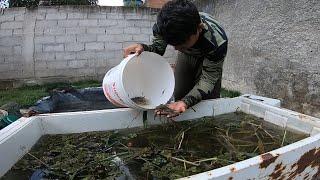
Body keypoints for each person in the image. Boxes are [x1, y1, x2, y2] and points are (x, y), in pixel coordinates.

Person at [123, 0, 228, 117]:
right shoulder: (163, 26)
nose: (176, 49)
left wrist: (186, 102)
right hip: (187, 55)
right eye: (173, 44)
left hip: (210, 56)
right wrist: (143, 48)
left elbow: (208, 80)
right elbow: (158, 49)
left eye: (182, 43)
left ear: (199, 28)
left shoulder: (217, 42)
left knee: (208, 102)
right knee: (180, 94)